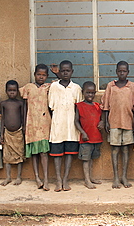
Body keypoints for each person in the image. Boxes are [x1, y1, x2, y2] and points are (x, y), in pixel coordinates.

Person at [101, 60, 134, 189]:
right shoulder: (111, 86)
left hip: (128, 122)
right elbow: (105, 105)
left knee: (126, 150)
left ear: (128, 72)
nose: (122, 73)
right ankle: (116, 177)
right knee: (115, 149)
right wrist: (105, 121)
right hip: (114, 122)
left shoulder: (132, 86)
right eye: (120, 71)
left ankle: (124, 177)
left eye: (124, 71)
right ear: (116, 72)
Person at [48, 60, 82, 192]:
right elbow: (51, 106)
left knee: (69, 153)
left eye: (68, 70)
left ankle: (65, 179)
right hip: (57, 126)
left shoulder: (76, 88)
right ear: (59, 72)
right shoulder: (54, 87)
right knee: (57, 154)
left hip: (71, 127)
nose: (65, 73)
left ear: (72, 72)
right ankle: (58, 180)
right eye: (63, 70)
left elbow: (78, 109)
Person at [20, 64, 51, 191]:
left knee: (44, 152)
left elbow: (61, 82)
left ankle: (46, 179)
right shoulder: (28, 87)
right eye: (39, 74)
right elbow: (24, 107)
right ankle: (37, 178)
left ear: (47, 76)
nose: (41, 77)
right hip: (31, 124)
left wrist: (56, 73)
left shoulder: (48, 87)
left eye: (44, 75)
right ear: (34, 74)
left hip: (44, 124)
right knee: (34, 153)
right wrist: (23, 123)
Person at [74, 81, 104, 189]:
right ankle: (86, 180)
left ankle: (91, 177)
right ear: (83, 92)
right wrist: (82, 132)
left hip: (96, 138)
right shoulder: (79, 106)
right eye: (88, 93)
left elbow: (102, 117)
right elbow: (76, 121)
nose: (90, 95)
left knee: (91, 159)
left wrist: (102, 122)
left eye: (92, 93)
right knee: (86, 160)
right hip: (86, 138)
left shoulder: (97, 106)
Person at [0, 80, 25, 186]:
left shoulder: (20, 103)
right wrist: (1, 134)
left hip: (18, 132)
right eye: (10, 90)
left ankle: (19, 177)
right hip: (7, 133)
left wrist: (24, 129)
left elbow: (23, 117)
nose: (12, 93)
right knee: (7, 156)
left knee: (19, 155)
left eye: (14, 91)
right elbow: (2, 119)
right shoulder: (3, 104)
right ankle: (8, 177)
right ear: (6, 91)